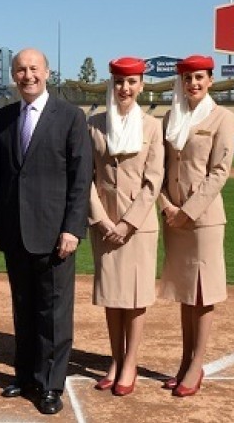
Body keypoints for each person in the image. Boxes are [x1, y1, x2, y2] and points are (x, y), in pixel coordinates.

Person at [0, 48, 92, 415]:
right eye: (20, 70)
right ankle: (25, 376)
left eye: (34, 68)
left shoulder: (70, 117)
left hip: (55, 234)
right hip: (15, 231)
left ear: (47, 73)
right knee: (23, 308)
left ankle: (50, 384)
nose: (27, 75)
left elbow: (81, 178)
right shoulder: (3, 118)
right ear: (14, 75)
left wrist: (72, 228)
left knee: (53, 312)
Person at [158, 54, 234, 397]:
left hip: (203, 220)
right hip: (172, 217)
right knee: (185, 292)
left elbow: (219, 172)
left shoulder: (222, 117)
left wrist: (188, 211)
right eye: (188, 78)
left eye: (199, 77)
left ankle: (196, 364)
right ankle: (184, 360)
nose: (193, 83)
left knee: (202, 293)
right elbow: (159, 168)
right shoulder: (170, 117)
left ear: (210, 80)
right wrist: (166, 206)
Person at [86, 57, 164, 396]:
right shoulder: (94, 124)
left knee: (134, 297)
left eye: (131, 82)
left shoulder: (153, 127)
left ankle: (130, 363)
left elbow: (154, 181)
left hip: (138, 227)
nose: (125, 88)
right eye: (119, 81)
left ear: (141, 85)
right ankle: (115, 360)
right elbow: (85, 178)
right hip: (104, 224)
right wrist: (102, 220)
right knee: (112, 296)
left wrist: (128, 223)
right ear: (112, 84)